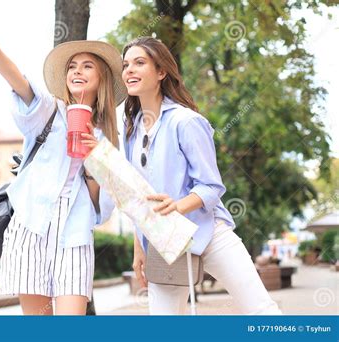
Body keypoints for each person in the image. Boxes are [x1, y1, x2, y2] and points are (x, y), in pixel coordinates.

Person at [0, 19, 125, 315]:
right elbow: (19, 82)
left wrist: (93, 161)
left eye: (87, 66)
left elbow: (100, 208)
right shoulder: (49, 110)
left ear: (102, 77)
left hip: (75, 232)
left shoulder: (106, 137)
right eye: (72, 66)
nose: (77, 71)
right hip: (30, 227)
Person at [121, 37, 282, 315]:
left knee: (260, 309)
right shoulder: (131, 131)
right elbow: (138, 197)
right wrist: (140, 248)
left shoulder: (186, 121)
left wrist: (178, 206)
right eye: (125, 65)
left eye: (139, 62)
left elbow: (210, 186)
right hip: (164, 242)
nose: (129, 70)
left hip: (209, 232)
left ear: (161, 72)